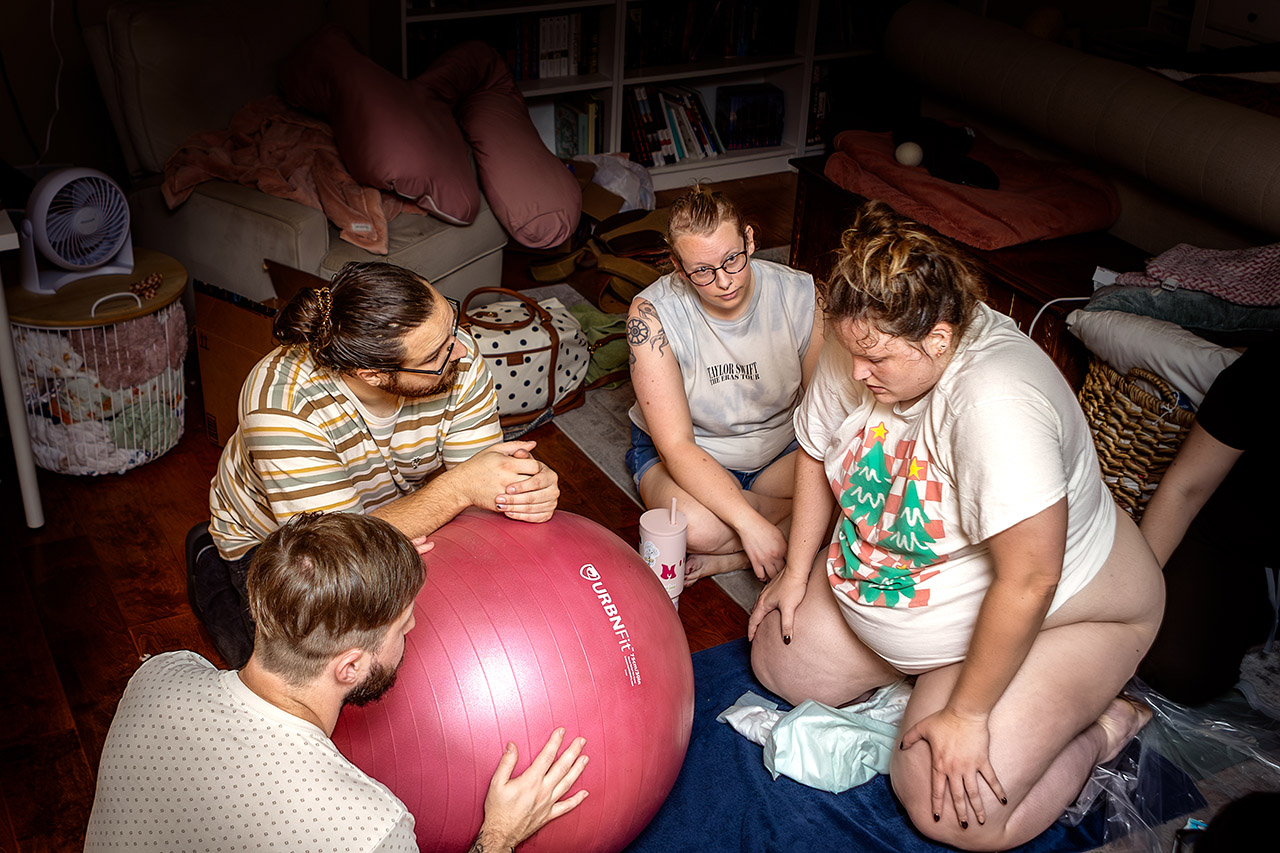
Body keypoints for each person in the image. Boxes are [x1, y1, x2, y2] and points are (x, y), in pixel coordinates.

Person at [747, 201, 1165, 850]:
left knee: (948, 806)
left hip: (1071, 612)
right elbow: (813, 446)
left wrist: (968, 715)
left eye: (876, 361)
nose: (856, 372)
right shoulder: (864, 338)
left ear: (938, 340)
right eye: (850, 351)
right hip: (940, 601)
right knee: (780, 654)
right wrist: (798, 573)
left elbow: (1031, 578)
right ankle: (927, 675)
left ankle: (1101, 726)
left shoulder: (996, 401)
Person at [86, 511, 589, 851]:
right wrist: (500, 834)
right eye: (404, 627)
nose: (413, 629)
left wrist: (365, 569)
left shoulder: (159, 674)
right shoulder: (364, 827)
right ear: (349, 668)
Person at [196, 261, 560, 666]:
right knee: (296, 674)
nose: (462, 348)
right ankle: (206, 560)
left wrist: (523, 492)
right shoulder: (282, 407)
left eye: (452, 323)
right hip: (279, 543)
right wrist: (456, 489)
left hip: (389, 513)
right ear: (371, 374)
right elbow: (329, 553)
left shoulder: (452, 352)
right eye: (437, 353)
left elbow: (483, 484)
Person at [625, 185, 824, 584]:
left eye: (732, 259)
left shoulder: (801, 293)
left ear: (750, 240)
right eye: (702, 271)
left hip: (780, 451)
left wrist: (754, 516)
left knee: (849, 484)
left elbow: (826, 417)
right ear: (678, 269)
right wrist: (750, 523)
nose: (723, 282)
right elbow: (676, 444)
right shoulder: (649, 315)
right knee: (695, 530)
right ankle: (776, 531)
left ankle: (733, 557)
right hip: (692, 454)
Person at [1138, 335, 1279, 707]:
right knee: (1171, 669)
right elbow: (1185, 489)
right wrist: (1131, 598)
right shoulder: (1268, 366)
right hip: (1234, 541)